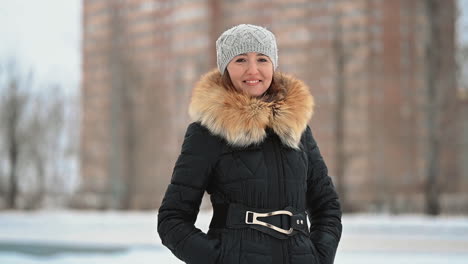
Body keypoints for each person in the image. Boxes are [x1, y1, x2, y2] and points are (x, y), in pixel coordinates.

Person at [158, 24, 342, 264]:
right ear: (226, 67)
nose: (253, 70)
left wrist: (319, 257)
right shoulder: (207, 133)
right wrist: (220, 259)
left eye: (262, 59)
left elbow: (327, 206)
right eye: (241, 60)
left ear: (273, 66)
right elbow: (172, 220)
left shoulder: (298, 129)